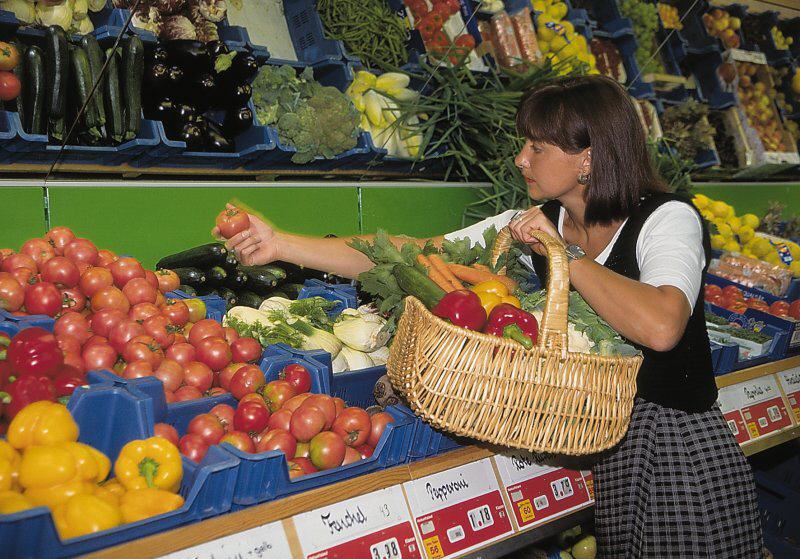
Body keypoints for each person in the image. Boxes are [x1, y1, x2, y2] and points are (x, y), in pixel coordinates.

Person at [218, 74, 763, 558]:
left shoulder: (667, 219)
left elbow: (663, 327)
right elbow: (409, 251)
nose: (521, 159)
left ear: (589, 157)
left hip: (672, 447)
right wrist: (282, 243)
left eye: (537, 147)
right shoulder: (530, 223)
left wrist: (565, 258)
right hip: (594, 437)